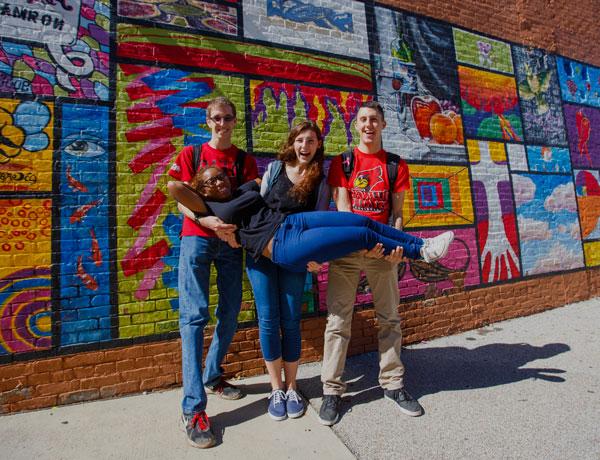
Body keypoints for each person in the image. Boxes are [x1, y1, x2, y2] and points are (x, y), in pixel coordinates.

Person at [319, 100, 423, 426]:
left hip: (382, 254)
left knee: (389, 319)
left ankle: (393, 385)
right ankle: (331, 391)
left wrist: (393, 246)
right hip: (348, 253)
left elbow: (398, 215)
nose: (368, 125)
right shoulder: (344, 162)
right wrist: (364, 244)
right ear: (356, 125)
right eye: (363, 119)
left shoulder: (395, 165)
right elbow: (343, 209)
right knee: (338, 322)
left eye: (374, 119)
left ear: (383, 125)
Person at [168, 96, 258, 449]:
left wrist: (231, 231)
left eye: (228, 118)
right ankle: (193, 410)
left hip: (231, 244)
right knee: (193, 317)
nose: (222, 124)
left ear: (235, 122)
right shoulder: (191, 155)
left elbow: (251, 200)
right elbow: (178, 198)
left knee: (231, 312)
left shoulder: (244, 161)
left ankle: (212, 374)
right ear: (208, 121)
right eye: (217, 118)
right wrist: (203, 219)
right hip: (197, 241)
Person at [167, 169, 453, 279]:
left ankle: (422, 244)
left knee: (360, 222)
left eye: (221, 176)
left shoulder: (241, 189)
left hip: (292, 222)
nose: (219, 182)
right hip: (280, 244)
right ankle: (422, 254)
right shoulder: (210, 207)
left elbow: (259, 182)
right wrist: (203, 217)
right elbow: (174, 186)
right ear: (200, 189)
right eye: (210, 181)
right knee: (360, 237)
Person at [245, 121, 330, 421]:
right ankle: (276, 388)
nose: (305, 146)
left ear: (319, 145)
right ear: (292, 143)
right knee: (269, 320)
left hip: (295, 256)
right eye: (300, 140)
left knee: (291, 320)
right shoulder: (274, 170)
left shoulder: (320, 179)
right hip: (262, 253)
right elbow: (257, 207)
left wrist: (314, 255)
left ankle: (293, 387)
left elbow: (319, 222)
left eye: (311, 141)